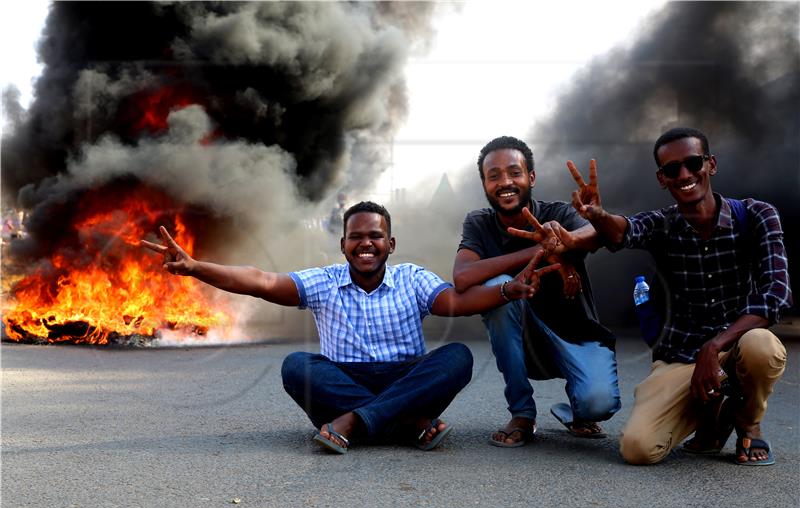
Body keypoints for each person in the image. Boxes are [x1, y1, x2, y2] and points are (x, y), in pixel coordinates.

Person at [142, 201, 560, 454]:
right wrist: (196, 267)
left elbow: (456, 302)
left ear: (390, 245)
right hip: (345, 380)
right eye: (355, 237)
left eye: (376, 236)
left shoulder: (412, 277)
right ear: (343, 244)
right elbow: (262, 280)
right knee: (296, 366)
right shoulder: (324, 281)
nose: (365, 243)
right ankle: (407, 423)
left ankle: (352, 424)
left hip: (406, 376)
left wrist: (508, 289)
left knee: (457, 357)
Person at [556, 126, 791, 465]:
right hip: (680, 355)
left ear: (711, 164)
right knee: (638, 448)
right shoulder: (663, 224)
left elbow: (777, 295)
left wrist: (715, 346)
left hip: (736, 344)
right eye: (671, 169)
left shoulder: (755, 216)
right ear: (661, 178)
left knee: (762, 347)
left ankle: (748, 425)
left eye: (692, 163)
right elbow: (624, 231)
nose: (684, 174)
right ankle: (714, 418)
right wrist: (597, 216)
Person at [453, 136, 621, 447]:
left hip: (576, 336)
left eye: (514, 172)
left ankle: (576, 409)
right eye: (494, 176)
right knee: (497, 289)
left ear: (531, 177)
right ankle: (522, 414)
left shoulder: (558, 214)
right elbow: (462, 277)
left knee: (599, 405)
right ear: (484, 184)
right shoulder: (479, 222)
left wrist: (575, 233)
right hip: (523, 340)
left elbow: (596, 235)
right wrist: (539, 250)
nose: (505, 182)